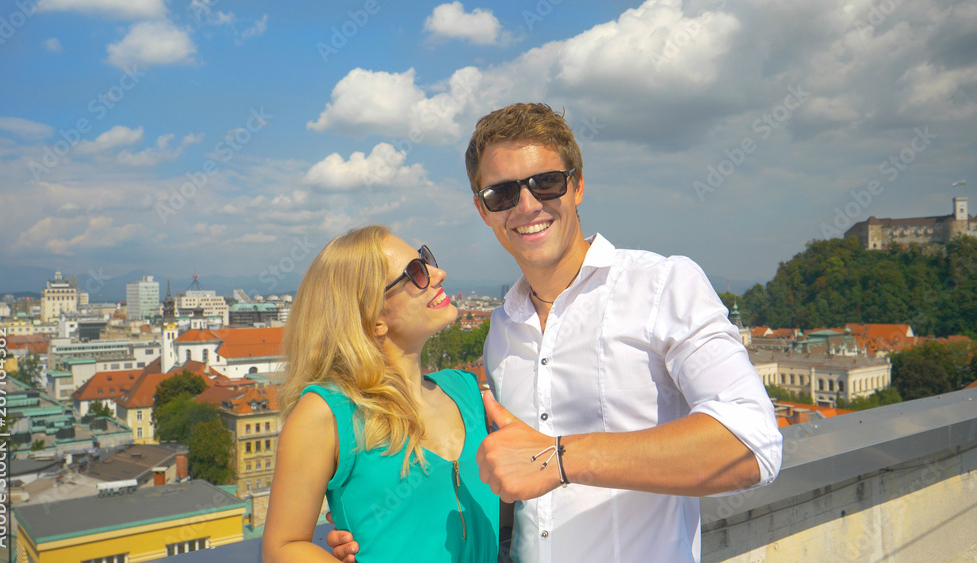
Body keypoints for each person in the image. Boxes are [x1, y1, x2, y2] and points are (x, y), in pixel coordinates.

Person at [329, 103, 782, 562]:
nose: (527, 206)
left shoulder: (663, 285)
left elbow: (753, 445)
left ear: (578, 185)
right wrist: (379, 528)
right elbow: (513, 486)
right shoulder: (502, 333)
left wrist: (559, 459)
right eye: (501, 194)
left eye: (546, 183)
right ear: (483, 211)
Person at [262, 225, 498, 562]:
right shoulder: (328, 412)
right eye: (416, 272)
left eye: (426, 260)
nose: (439, 273)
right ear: (374, 319)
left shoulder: (466, 390)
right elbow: (281, 548)